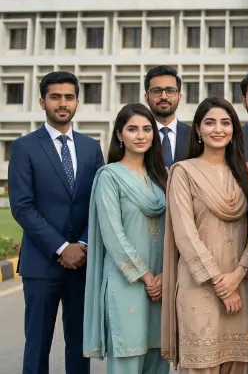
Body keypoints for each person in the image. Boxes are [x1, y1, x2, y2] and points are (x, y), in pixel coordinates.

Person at [9, 71, 104, 374]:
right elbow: (22, 207)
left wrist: (84, 245)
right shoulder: (24, 147)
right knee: (37, 344)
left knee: (80, 344)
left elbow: (99, 203)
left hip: (84, 264)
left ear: (77, 101)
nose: (62, 103)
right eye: (55, 97)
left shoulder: (92, 147)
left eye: (68, 97)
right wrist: (62, 247)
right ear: (42, 101)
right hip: (42, 264)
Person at [161, 97, 248, 374]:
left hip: (242, 286)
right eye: (210, 122)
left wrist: (237, 277)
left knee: (238, 366)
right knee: (201, 366)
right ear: (197, 129)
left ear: (234, 130)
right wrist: (221, 285)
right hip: (200, 287)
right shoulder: (183, 172)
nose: (218, 129)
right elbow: (185, 234)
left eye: (225, 123)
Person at [82, 103, 170, 374]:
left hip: (162, 281)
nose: (141, 135)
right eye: (132, 129)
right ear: (120, 135)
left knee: (158, 359)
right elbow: (113, 234)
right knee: (128, 360)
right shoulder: (109, 176)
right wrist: (146, 277)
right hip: (127, 280)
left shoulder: (163, 177)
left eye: (147, 129)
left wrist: (165, 276)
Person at [144, 65, 191, 168]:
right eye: (156, 91)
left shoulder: (194, 136)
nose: (164, 96)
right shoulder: (138, 136)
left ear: (179, 97)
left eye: (170, 91)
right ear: (146, 97)